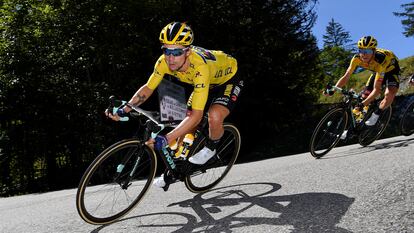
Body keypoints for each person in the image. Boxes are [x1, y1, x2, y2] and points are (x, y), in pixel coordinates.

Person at [106, 22, 243, 188]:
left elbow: (198, 115)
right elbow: (149, 87)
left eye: (176, 52)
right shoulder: (163, 62)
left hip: (227, 81)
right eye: (166, 51)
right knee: (185, 121)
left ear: (187, 51)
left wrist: (167, 138)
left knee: (213, 116)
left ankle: (211, 149)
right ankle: (176, 168)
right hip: (203, 84)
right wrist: (126, 108)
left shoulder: (200, 67)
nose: (170, 58)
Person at [325, 36, 400, 139]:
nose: (364, 54)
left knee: (389, 93)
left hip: (390, 70)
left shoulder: (380, 60)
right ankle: (351, 130)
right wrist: (333, 89)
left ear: (373, 51)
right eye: (361, 50)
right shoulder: (356, 58)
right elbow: (346, 76)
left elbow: (377, 90)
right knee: (364, 97)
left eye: (368, 50)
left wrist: (363, 104)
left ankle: (375, 115)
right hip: (377, 72)